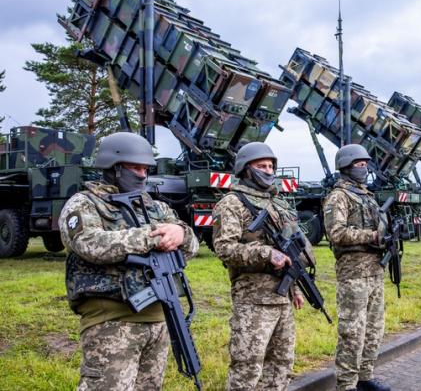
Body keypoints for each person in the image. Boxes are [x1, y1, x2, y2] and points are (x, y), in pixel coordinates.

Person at [59, 132, 200, 390]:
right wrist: (150, 236)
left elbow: (190, 248)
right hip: (112, 321)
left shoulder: (156, 207)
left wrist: (181, 233)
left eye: (146, 169)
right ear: (114, 167)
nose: (142, 175)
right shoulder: (85, 203)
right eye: (135, 168)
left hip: (159, 318)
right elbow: (90, 245)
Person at [211, 142, 312, 391]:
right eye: (261, 166)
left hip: (281, 299)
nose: (268, 171)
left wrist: (294, 288)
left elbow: (289, 249)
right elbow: (224, 248)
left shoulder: (277, 202)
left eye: (270, 166)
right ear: (246, 169)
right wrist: (266, 253)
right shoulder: (232, 203)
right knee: (247, 368)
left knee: (281, 365)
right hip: (253, 300)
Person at [323, 144, 390, 391]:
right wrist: (371, 236)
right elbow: (336, 232)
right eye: (359, 164)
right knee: (352, 331)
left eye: (365, 164)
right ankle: (346, 384)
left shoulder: (366, 195)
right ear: (346, 166)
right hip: (353, 274)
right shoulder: (338, 196)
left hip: (374, 271)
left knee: (374, 328)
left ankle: (365, 376)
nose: (364, 168)